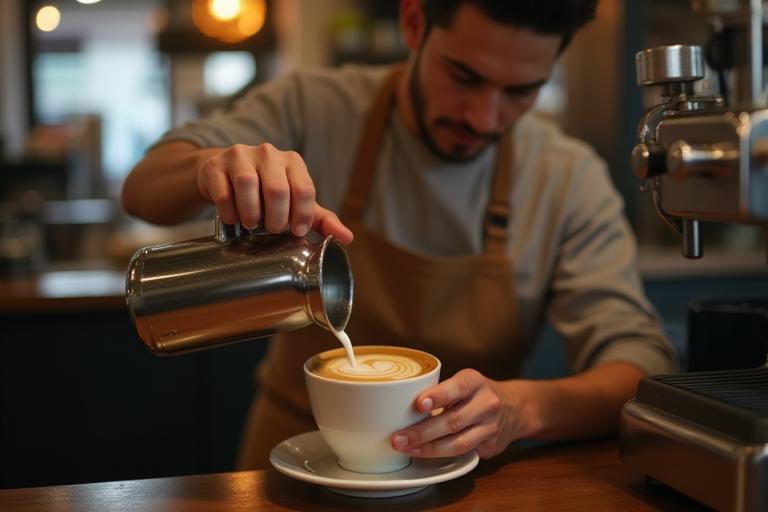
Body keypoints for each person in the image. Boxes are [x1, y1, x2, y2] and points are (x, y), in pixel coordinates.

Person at [122, 0, 677, 469]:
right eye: (465, 77)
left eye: (520, 91)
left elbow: (640, 368)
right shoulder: (314, 107)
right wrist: (212, 166)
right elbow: (143, 188)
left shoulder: (566, 177)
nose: (484, 117)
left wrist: (521, 409)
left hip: (464, 478)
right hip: (291, 461)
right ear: (415, 24)